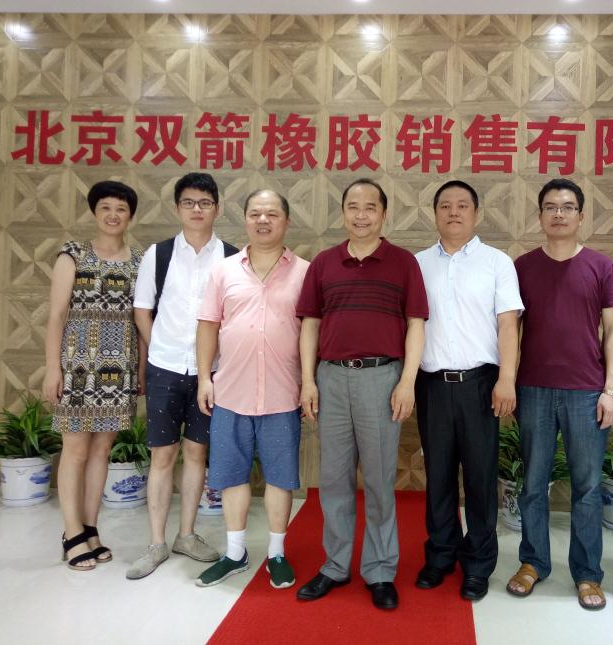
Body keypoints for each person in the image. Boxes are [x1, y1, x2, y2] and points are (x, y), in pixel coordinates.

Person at [295, 178, 428, 610]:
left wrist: (407, 382)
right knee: (333, 479)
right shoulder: (324, 263)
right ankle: (335, 565)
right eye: (353, 206)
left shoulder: (403, 263)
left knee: (379, 479)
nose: (361, 214)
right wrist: (308, 380)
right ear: (343, 212)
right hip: (331, 379)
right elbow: (310, 324)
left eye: (370, 207)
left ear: (384, 213)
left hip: (381, 379)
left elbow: (416, 325)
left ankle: (381, 569)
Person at [506, 178, 613, 611]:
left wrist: (611, 390)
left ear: (581, 215)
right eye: (550, 207)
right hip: (533, 389)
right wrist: (508, 381)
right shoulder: (521, 267)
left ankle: (587, 573)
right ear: (539, 215)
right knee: (533, 483)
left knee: (588, 487)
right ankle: (533, 562)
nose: (559, 214)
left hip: (586, 391)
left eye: (567, 207)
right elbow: (509, 330)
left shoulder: (601, 266)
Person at [193, 189, 309, 588]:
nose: (263, 220)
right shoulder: (223, 271)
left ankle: (277, 553)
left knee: (281, 478)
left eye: (272, 214)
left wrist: (309, 383)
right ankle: (235, 553)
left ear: (286, 221)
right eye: (256, 213)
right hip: (231, 392)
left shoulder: (305, 272)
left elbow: (312, 332)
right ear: (244, 219)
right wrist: (204, 378)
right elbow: (208, 325)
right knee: (231, 476)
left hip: (282, 394)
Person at [413, 180, 522, 601]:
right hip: (432, 385)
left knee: (479, 477)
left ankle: (477, 564)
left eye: (462, 205)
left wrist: (507, 378)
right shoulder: (418, 264)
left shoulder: (497, 262)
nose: (454, 212)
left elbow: (508, 325)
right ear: (435, 213)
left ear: (476, 213)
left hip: (480, 384)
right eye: (445, 205)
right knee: (438, 475)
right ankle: (440, 555)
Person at [126, 173, 233, 580]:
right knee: (162, 455)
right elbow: (142, 308)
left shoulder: (232, 258)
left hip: (212, 372)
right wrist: (160, 346)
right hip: (165, 368)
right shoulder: (159, 254)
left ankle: (186, 535)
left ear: (217, 208)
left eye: (205, 202)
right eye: (189, 202)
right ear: (177, 208)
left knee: (196, 454)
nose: (197, 209)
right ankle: (156, 542)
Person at [42, 180, 143, 571]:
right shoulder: (73, 255)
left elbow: (142, 318)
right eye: (105, 208)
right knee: (76, 450)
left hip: (119, 370)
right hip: (77, 367)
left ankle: (90, 528)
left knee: (102, 450)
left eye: (121, 209)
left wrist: (141, 368)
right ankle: (71, 533)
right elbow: (56, 316)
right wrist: (53, 369)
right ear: (95, 212)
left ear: (130, 215)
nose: (113, 215)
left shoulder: (139, 261)